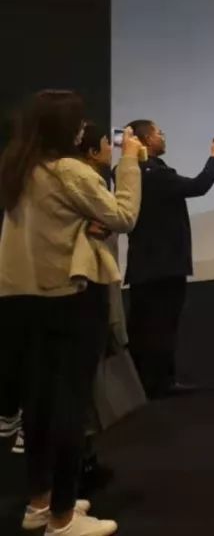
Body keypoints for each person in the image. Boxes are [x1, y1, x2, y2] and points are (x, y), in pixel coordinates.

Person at [0, 90, 143, 536]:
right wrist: (129, 161)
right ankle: (62, 518)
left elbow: (59, 222)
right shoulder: (69, 171)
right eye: (80, 123)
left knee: (38, 404)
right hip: (69, 298)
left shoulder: (18, 168)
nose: (85, 130)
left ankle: (40, 502)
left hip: (22, 300)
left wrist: (85, 223)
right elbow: (124, 215)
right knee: (70, 407)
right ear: (66, 129)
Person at [124, 120, 214, 399]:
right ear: (146, 140)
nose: (163, 137)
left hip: (146, 263)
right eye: (159, 133)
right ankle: (159, 382)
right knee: (162, 324)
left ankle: (146, 382)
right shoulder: (154, 174)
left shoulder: (133, 172)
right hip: (164, 264)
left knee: (146, 325)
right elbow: (199, 186)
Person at [75, 125, 145, 495]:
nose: (111, 146)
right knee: (83, 381)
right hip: (84, 291)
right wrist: (130, 160)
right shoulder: (79, 178)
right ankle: (70, 479)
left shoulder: (44, 176)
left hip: (80, 290)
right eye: (106, 143)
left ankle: (79, 463)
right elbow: (123, 216)